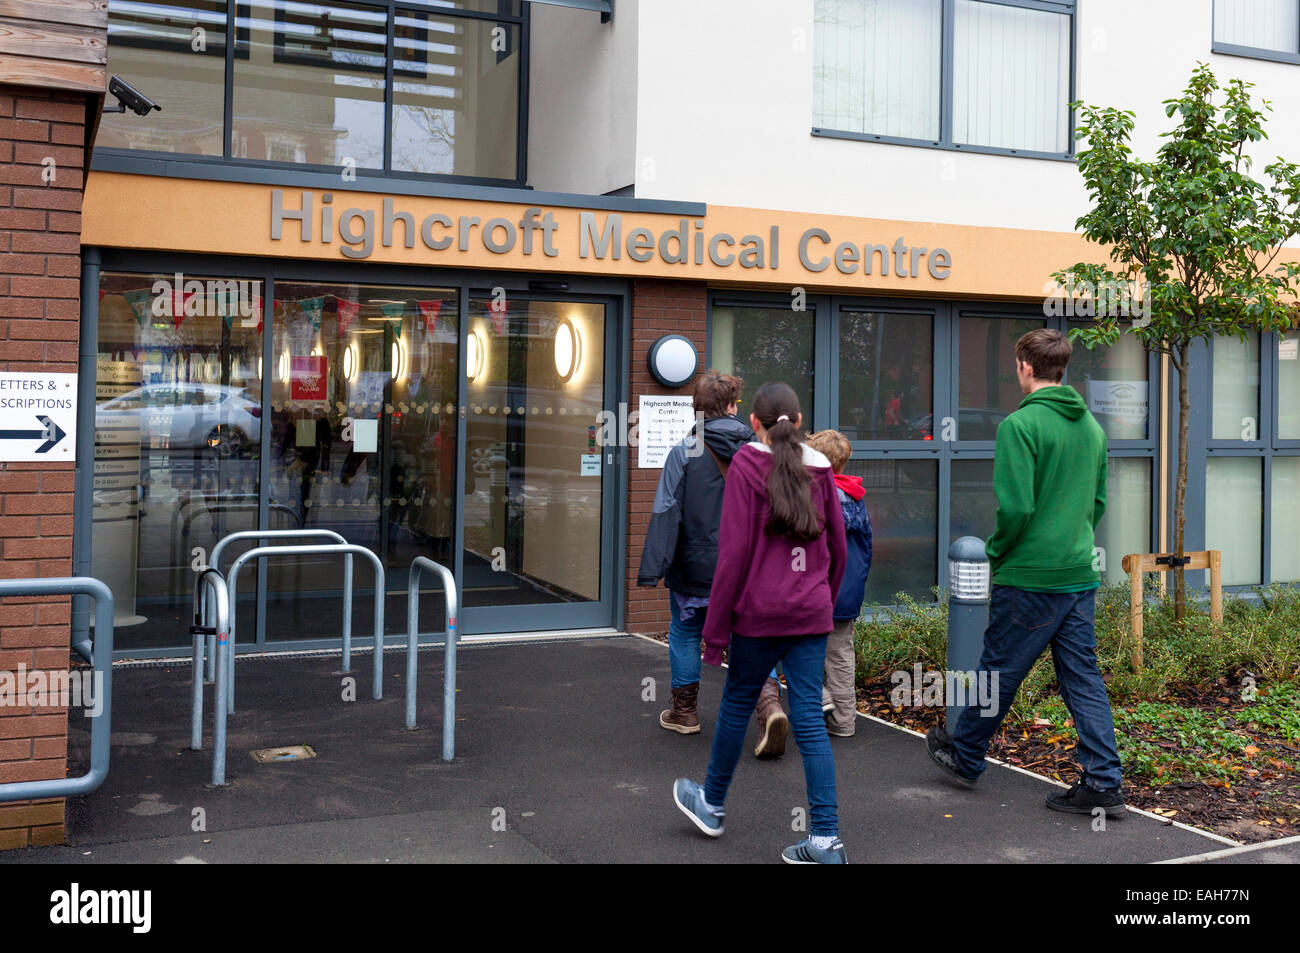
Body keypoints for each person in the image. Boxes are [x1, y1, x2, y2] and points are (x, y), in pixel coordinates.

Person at [925, 329, 1125, 818]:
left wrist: (996, 550)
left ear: (1025, 367)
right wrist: (1069, 540)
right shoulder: (1093, 430)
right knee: (1083, 679)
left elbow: (1016, 507)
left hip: (1031, 576)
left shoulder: (1020, 426)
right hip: (1078, 573)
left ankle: (966, 755)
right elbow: (1097, 502)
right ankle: (1102, 781)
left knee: (999, 670)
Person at [673, 382, 849, 864]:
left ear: (754, 422)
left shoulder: (747, 467)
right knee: (810, 718)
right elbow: (838, 551)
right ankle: (826, 840)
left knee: (735, 707)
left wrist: (714, 634)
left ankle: (711, 805)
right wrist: (821, 603)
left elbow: (731, 557)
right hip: (809, 615)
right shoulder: (822, 472)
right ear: (799, 421)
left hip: (758, 616)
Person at [638, 371, 792, 756]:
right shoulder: (759, 451)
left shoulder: (683, 451)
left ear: (698, 409)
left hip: (693, 567)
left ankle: (685, 713)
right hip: (748, 569)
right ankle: (769, 706)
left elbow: (666, 511)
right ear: (732, 406)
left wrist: (654, 566)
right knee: (752, 637)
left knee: (685, 631)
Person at [804, 429, 872, 738]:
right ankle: (844, 721)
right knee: (841, 655)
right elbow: (867, 548)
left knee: (794, 647)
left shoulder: (814, 496)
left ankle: (822, 698)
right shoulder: (857, 498)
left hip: (816, 590)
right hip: (847, 591)